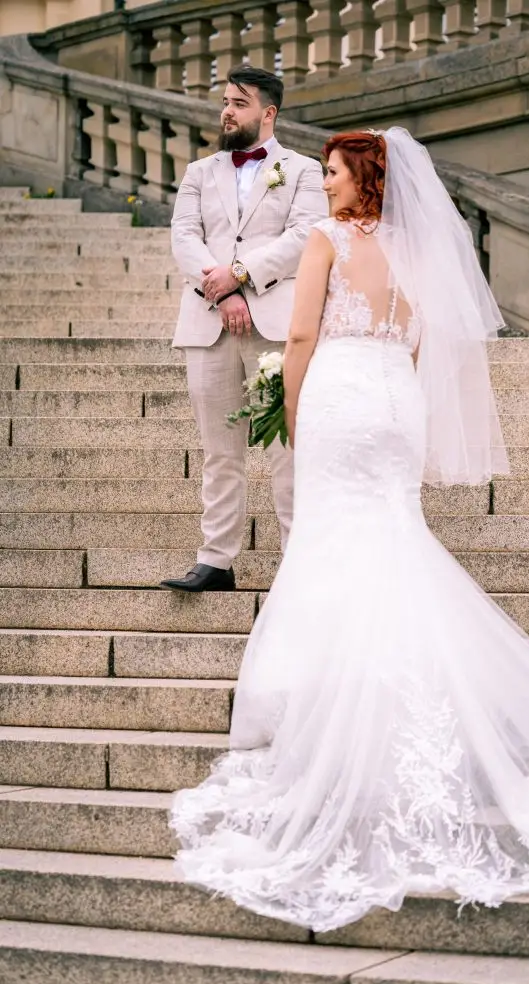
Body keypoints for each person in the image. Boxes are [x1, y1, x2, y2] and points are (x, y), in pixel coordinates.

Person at [170, 128, 529, 932]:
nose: (326, 183)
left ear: (358, 179)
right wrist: (387, 396)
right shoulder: (418, 249)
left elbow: (299, 335)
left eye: (334, 172)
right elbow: (417, 343)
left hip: (339, 393)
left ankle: (318, 697)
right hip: (394, 404)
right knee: (391, 540)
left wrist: (296, 408)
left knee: (333, 541)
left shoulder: (325, 239)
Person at [161, 66, 327, 593]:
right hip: (208, 324)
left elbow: (305, 234)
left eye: (239, 102)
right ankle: (215, 560)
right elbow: (185, 236)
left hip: (276, 327)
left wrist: (242, 275)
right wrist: (226, 289)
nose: (227, 111)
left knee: (287, 449)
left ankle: (299, 560)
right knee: (219, 449)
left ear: (268, 113)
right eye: (225, 101)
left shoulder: (302, 170)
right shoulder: (198, 172)